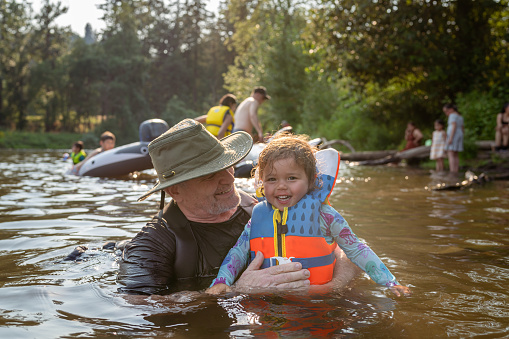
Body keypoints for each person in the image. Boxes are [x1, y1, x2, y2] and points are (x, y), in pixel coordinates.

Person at [116, 119, 359, 295]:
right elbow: (135, 310)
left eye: (228, 165)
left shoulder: (263, 207)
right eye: (209, 175)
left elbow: (344, 250)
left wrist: (331, 288)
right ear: (174, 190)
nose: (230, 179)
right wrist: (237, 292)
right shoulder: (152, 245)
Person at [207, 134, 411, 297]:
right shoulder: (257, 218)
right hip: (270, 304)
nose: (281, 186)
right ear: (261, 182)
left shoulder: (326, 216)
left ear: (311, 180)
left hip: (319, 303)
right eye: (271, 179)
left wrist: (389, 282)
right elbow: (238, 253)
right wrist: (221, 282)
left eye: (292, 178)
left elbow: (356, 249)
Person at [443, 103, 464, 173]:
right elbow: (462, 128)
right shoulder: (460, 116)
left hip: (453, 134)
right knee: (455, 153)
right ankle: (456, 170)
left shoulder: (452, 115)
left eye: (447, 111)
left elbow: (454, 126)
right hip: (459, 134)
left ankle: (452, 171)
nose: (446, 113)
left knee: (451, 153)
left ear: (451, 109)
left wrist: (450, 138)